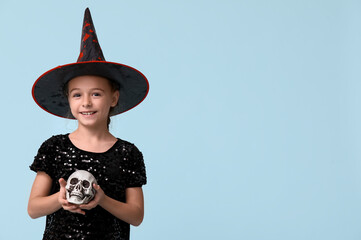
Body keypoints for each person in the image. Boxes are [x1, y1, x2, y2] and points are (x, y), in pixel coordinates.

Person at [28, 8, 149, 240]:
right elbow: (33, 208)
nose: (85, 102)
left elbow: (136, 216)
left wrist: (102, 200)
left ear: (113, 98)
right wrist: (60, 199)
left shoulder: (128, 154)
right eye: (77, 95)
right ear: (68, 100)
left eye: (96, 94)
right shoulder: (53, 148)